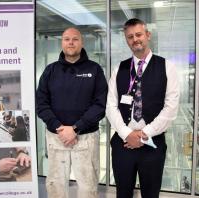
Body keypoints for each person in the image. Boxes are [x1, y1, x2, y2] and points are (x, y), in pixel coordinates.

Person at [106, 18, 179, 198]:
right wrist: (127, 134)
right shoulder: (119, 69)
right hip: (123, 144)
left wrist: (144, 134)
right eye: (130, 36)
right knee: (122, 193)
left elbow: (171, 108)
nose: (135, 39)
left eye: (138, 34)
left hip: (152, 145)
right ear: (126, 40)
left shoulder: (167, 67)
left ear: (148, 35)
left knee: (151, 194)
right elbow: (110, 106)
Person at [36, 27, 108, 198]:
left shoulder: (95, 69)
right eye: (66, 39)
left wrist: (76, 128)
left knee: (88, 187)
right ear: (62, 42)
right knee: (56, 187)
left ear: (81, 42)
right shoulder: (50, 70)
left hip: (86, 138)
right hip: (57, 137)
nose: (70, 42)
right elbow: (41, 104)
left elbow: (101, 104)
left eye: (75, 39)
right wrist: (60, 128)